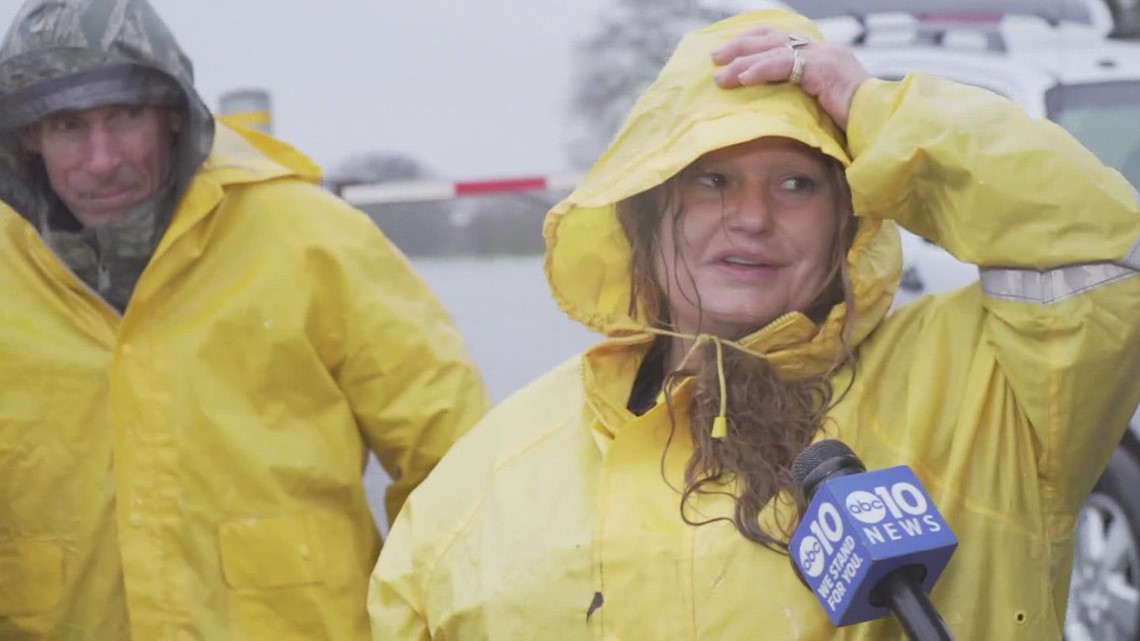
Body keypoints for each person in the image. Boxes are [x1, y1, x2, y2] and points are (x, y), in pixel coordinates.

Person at [368, 8, 1140, 641]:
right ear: (643, 212)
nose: (751, 218)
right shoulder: (485, 481)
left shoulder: (983, 388)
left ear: (849, 221)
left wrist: (873, 106)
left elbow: (1103, 244)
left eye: (798, 183)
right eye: (711, 180)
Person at [0, 0, 489, 639]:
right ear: (28, 135)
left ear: (174, 116)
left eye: (123, 118)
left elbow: (459, 463)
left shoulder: (311, 241)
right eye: (67, 126)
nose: (101, 160)